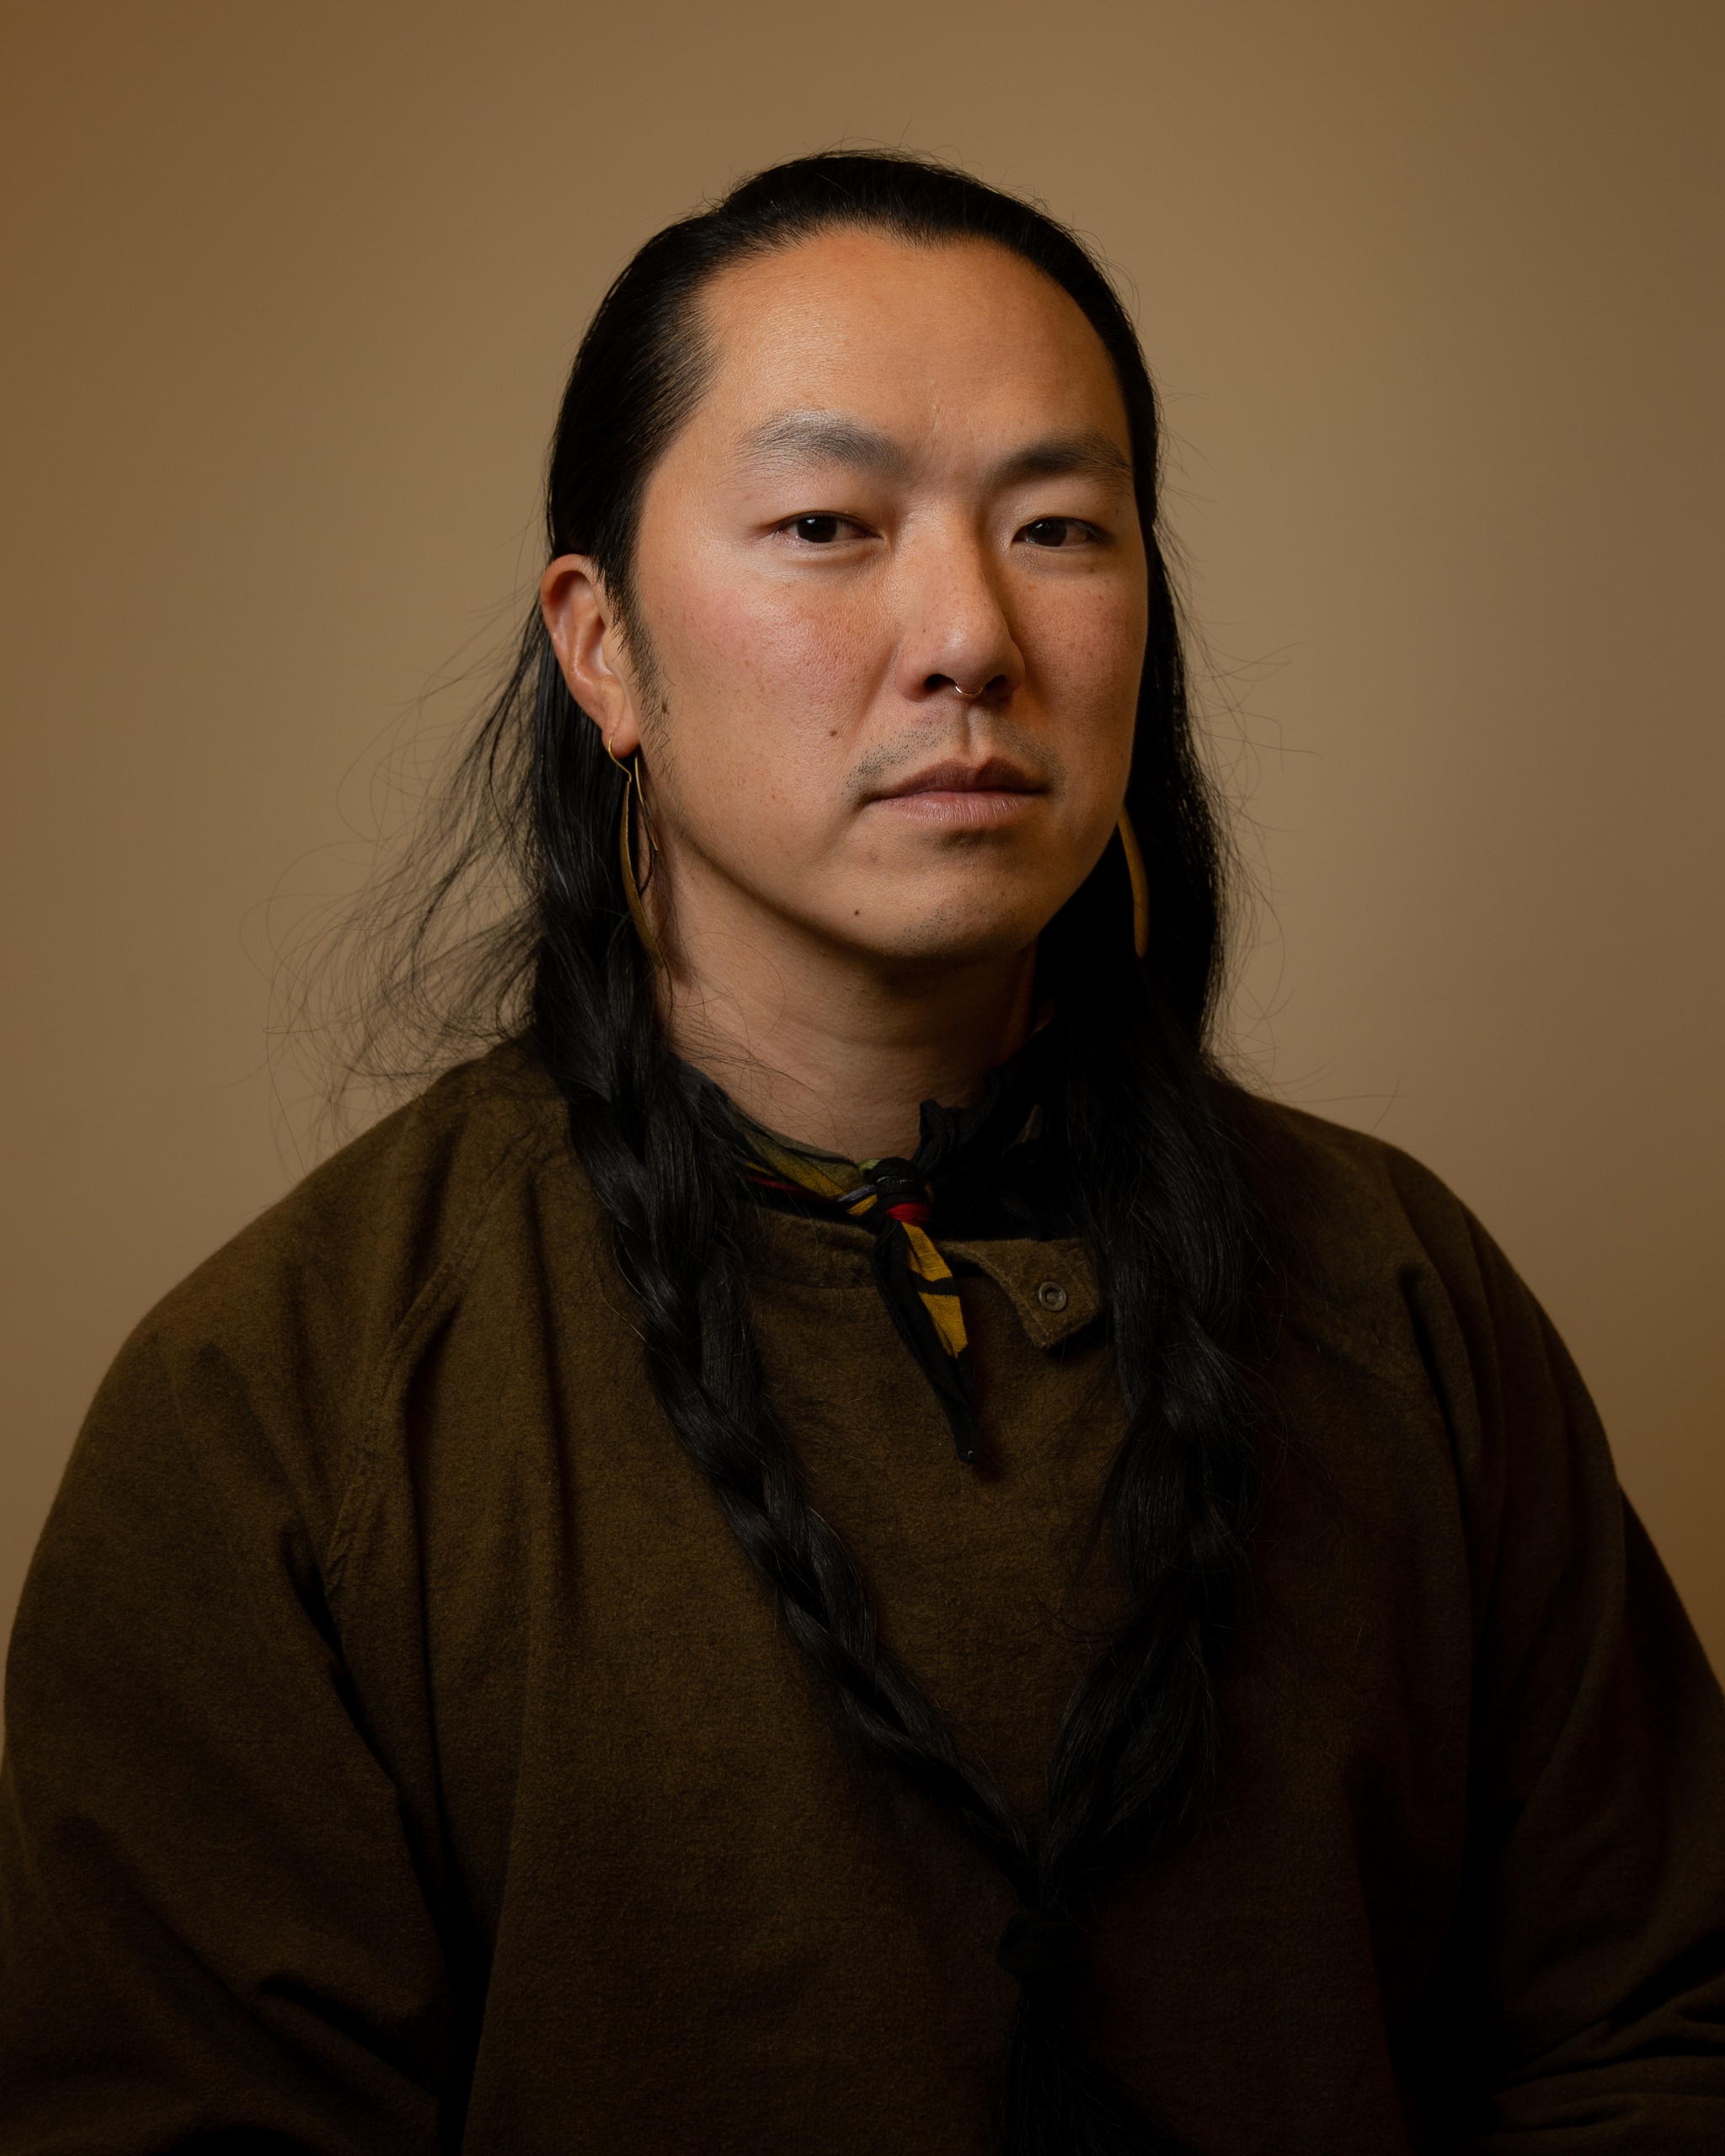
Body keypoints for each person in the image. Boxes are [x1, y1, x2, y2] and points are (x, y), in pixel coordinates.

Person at [2, 151, 1722, 2156]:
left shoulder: (1396, 1293)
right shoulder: (286, 1401)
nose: (969, 635)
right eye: (827, 523)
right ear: (603, 645)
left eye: (1060, 526)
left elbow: (1653, 2029)